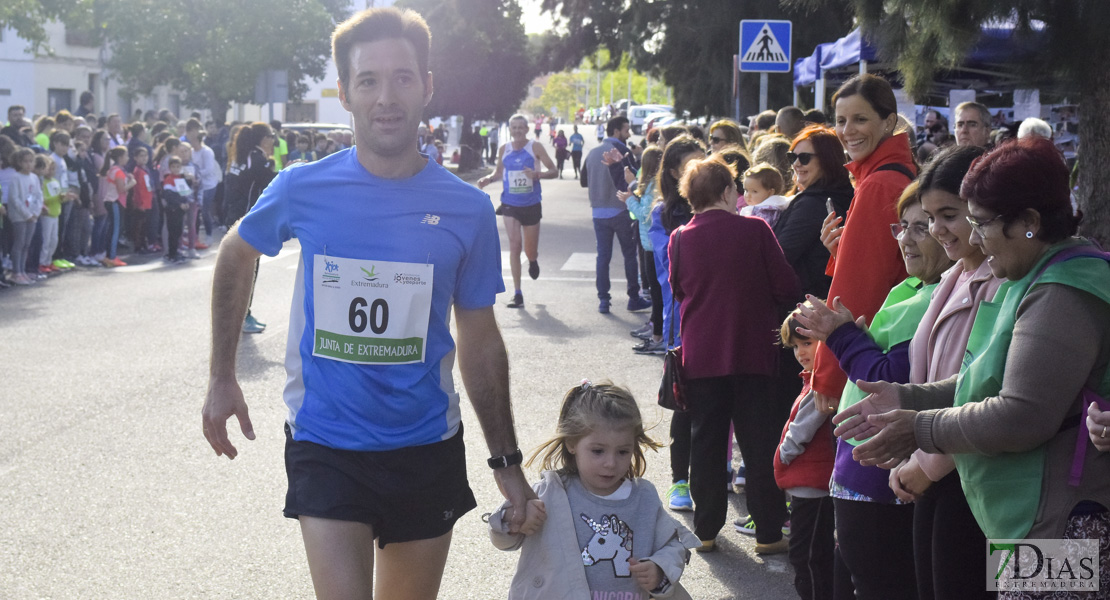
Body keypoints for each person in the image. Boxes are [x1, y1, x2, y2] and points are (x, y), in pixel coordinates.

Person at [201, 8, 534, 600]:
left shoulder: (467, 210)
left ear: (427, 87)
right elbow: (236, 252)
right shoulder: (302, 187)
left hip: (426, 444)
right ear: (346, 94)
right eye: (369, 80)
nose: (387, 96)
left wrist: (505, 460)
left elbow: (480, 339)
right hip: (326, 443)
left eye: (403, 78)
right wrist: (221, 375)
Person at [835, 136, 1110, 598]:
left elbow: (1021, 414)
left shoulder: (1062, 289)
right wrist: (908, 396)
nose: (975, 238)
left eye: (980, 223)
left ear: (1029, 223)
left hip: (1059, 523)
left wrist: (919, 427)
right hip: (1031, 519)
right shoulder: (1034, 275)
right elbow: (985, 380)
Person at [795, 180, 953, 600]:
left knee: (881, 583)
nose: (907, 239)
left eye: (927, 225)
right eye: (902, 226)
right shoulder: (915, 289)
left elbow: (887, 381)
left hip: (885, 478)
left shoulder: (943, 296)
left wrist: (843, 336)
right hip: (867, 471)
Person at [669, 154, 801, 555]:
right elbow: (787, 286)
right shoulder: (755, 230)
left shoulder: (679, 238)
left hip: (701, 355)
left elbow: (678, 290)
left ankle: (706, 531)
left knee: (706, 442)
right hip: (753, 352)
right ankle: (767, 534)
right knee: (759, 443)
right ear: (728, 192)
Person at [885, 144, 999, 600]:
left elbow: (1005, 399)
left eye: (949, 214)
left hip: (982, 480)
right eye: (929, 217)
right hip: (946, 467)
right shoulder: (955, 276)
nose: (936, 231)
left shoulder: (1019, 284)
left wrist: (926, 461)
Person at [488, 381, 700, 599]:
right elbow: (503, 540)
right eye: (598, 451)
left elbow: (673, 545)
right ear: (572, 443)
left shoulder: (643, 498)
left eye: (623, 451)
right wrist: (516, 518)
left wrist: (660, 569)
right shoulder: (549, 493)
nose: (610, 463)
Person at [812, 73, 916, 416]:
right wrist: (841, 251)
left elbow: (857, 287)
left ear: (888, 122)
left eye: (860, 119)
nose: (848, 130)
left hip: (871, 355)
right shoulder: (889, 174)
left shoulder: (878, 184)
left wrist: (827, 376)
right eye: (841, 121)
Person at [647, 135, 705, 512]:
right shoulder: (663, 215)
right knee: (684, 407)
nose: (700, 170)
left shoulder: (724, 208)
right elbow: (671, 270)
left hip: (718, 325)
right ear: (672, 172)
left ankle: (710, 475)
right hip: (684, 326)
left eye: (705, 161)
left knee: (714, 409)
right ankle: (679, 481)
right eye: (690, 165)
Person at [771, 303, 835, 600]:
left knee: (806, 556)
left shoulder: (820, 383)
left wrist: (784, 452)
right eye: (795, 346)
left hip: (814, 484)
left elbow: (803, 428)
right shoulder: (814, 380)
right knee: (814, 554)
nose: (800, 353)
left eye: (807, 343)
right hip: (811, 482)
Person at [477, 114, 556, 309]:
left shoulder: (535, 147)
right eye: (514, 127)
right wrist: (488, 179)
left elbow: (553, 170)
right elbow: (498, 173)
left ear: (527, 130)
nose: (517, 131)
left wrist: (537, 175)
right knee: (514, 246)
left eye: (521, 127)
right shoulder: (504, 149)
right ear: (510, 130)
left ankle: (533, 260)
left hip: (531, 204)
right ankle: (517, 293)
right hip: (510, 204)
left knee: (530, 249)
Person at [772, 125, 853, 302]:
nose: (796, 163)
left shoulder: (813, 204)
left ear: (827, 161)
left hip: (806, 307)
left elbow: (779, 257)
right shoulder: (839, 195)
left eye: (805, 158)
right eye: (792, 157)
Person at [582, 116, 652, 314]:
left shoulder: (593, 152)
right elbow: (637, 179)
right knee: (629, 254)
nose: (629, 134)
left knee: (603, 256)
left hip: (598, 211)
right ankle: (633, 297)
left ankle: (604, 299)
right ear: (615, 131)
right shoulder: (623, 151)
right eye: (626, 129)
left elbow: (583, 181)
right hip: (621, 209)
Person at [618, 146, 664, 354]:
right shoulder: (651, 184)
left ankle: (658, 333)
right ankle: (655, 326)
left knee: (657, 291)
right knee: (654, 290)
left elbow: (646, 214)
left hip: (653, 244)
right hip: (649, 243)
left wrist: (628, 200)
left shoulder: (654, 184)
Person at [3, 148, 43, 285]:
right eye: (25, 161)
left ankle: (23, 271)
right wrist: (27, 214)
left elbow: (38, 195)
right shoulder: (16, 177)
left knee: (27, 244)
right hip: (19, 216)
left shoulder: (34, 178)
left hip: (32, 215)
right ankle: (16, 272)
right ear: (19, 162)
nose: (28, 164)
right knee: (19, 243)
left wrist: (35, 212)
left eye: (31, 161)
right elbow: (14, 198)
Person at [99, 146, 133, 267]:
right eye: (126, 155)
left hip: (114, 201)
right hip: (115, 201)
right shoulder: (117, 171)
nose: (128, 158)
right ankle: (111, 256)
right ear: (120, 157)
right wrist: (132, 183)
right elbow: (121, 189)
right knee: (115, 229)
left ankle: (110, 255)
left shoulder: (115, 169)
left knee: (113, 228)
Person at [739, 163, 788, 227]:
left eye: (754, 191)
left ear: (770, 192)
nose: (748, 195)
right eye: (746, 190)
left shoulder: (765, 213)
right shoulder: (756, 209)